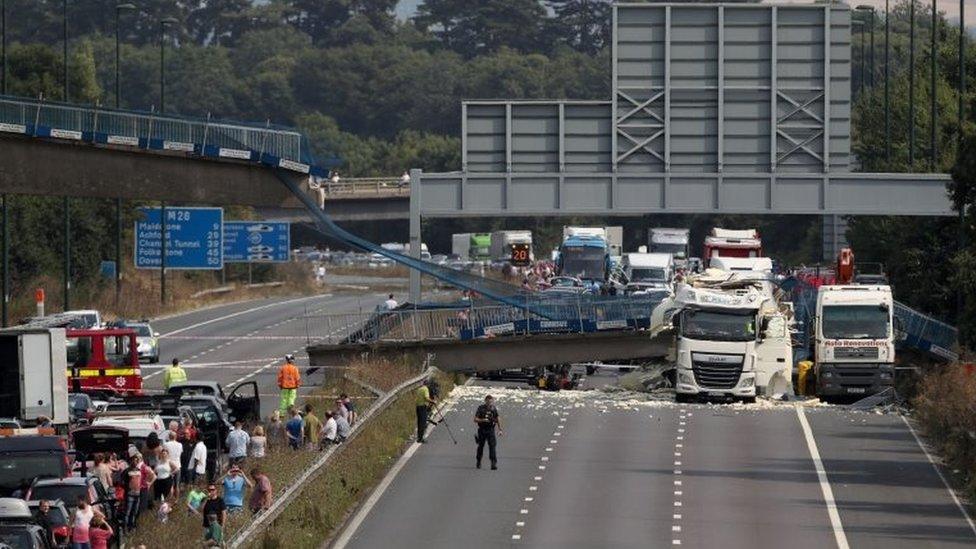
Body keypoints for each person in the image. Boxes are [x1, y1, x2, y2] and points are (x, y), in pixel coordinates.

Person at [474, 394, 503, 470]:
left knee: (492, 446)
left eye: (491, 402)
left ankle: (493, 463)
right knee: (481, 446)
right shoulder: (481, 408)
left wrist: (500, 429)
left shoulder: (493, 409)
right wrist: (483, 420)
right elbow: (475, 419)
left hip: (490, 430)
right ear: (485, 401)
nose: (489, 404)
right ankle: (478, 461)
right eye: (488, 402)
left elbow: (498, 418)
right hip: (482, 429)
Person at [123, 456, 142, 531]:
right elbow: (122, 481)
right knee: (127, 512)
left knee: (135, 512)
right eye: (134, 460)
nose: (135, 462)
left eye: (136, 461)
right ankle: (125, 527)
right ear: (130, 461)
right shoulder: (127, 471)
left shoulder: (139, 470)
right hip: (129, 494)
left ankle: (132, 527)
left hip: (138, 494)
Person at [162, 429, 183, 496]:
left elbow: (164, 454)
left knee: (170, 484)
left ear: (169, 437)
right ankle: (176, 500)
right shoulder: (180, 445)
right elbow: (181, 453)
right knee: (177, 484)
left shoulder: (165, 444)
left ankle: (170, 499)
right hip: (178, 465)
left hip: (169, 465)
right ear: (176, 437)